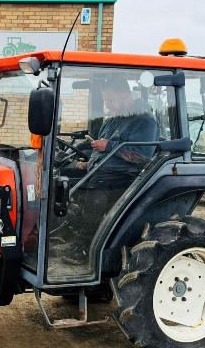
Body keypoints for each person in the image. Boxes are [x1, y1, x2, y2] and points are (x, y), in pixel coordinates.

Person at [58, 78, 159, 267]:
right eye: (106, 102)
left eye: (111, 101)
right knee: (62, 180)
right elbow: (103, 152)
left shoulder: (144, 120)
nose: (108, 106)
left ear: (125, 95)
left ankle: (85, 248)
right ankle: (70, 236)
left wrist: (109, 145)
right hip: (102, 172)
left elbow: (142, 156)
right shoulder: (113, 120)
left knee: (93, 193)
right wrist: (88, 163)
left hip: (125, 179)